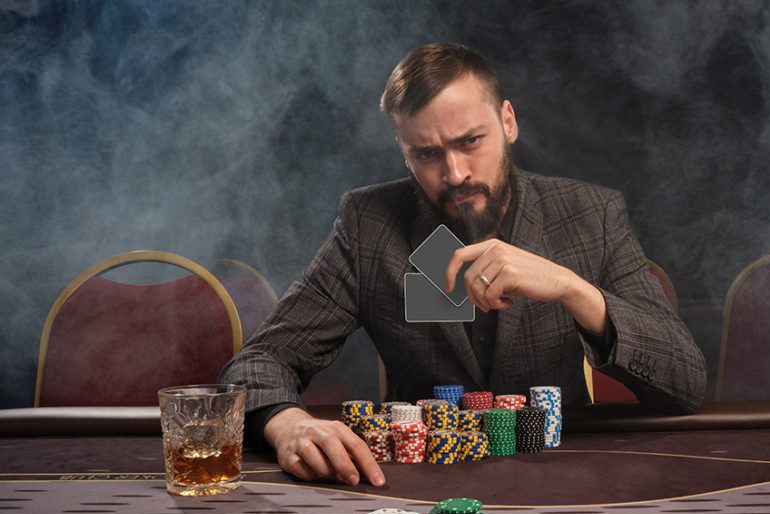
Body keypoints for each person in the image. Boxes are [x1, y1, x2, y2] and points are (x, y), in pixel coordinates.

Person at [219, 42, 706, 488]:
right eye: (427, 154)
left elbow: (684, 384)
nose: (455, 174)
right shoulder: (369, 223)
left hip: (562, 473)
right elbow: (261, 361)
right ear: (402, 151)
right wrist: (287, 423)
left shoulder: (589, 215)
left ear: (508, 122)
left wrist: (573, 290)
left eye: (471, 141)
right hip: (417, 480)